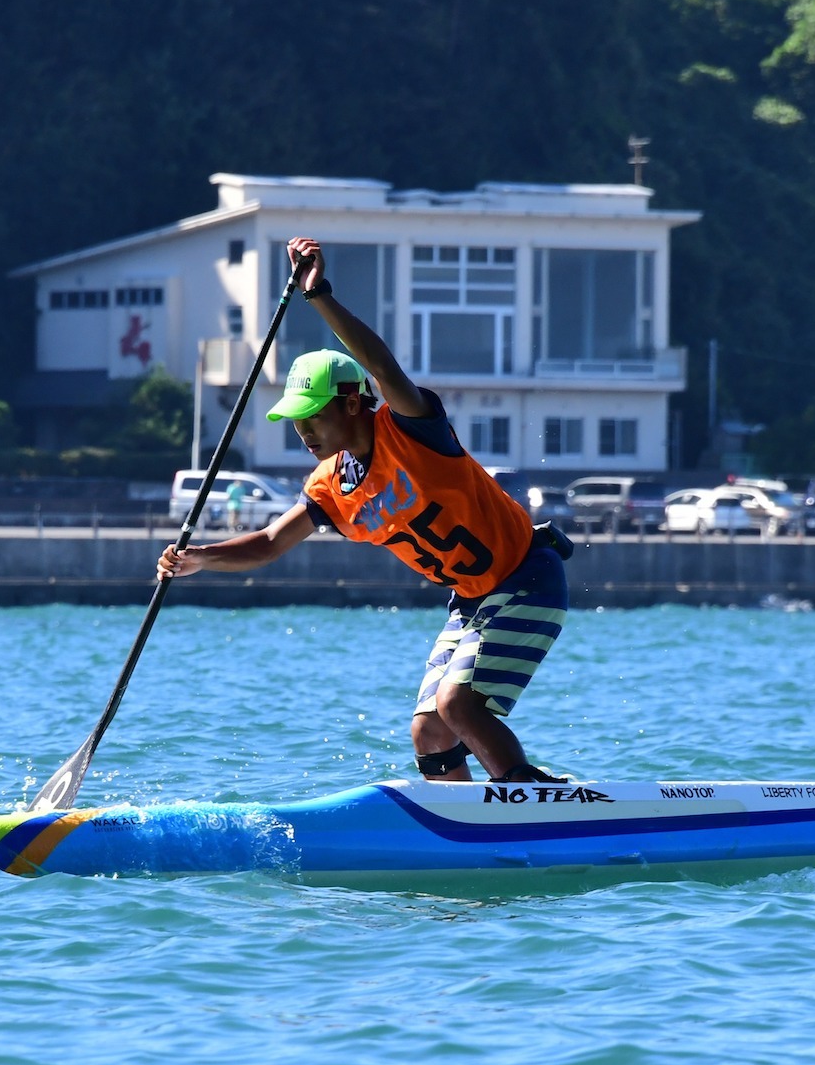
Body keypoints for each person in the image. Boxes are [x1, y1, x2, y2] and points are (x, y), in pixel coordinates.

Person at [158, 237, 572, 784]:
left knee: (457, 706)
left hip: (526, 578)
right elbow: (269, 543)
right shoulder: (331, 485)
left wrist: (319, 295)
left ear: (352, 402)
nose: (303, 432)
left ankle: (525, 802)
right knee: (428, 732)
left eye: (312, 417)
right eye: (297, 422)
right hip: (470, 601)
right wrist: (201, 558)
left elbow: (380, 364)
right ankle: (461, 825)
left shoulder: (409, 427)